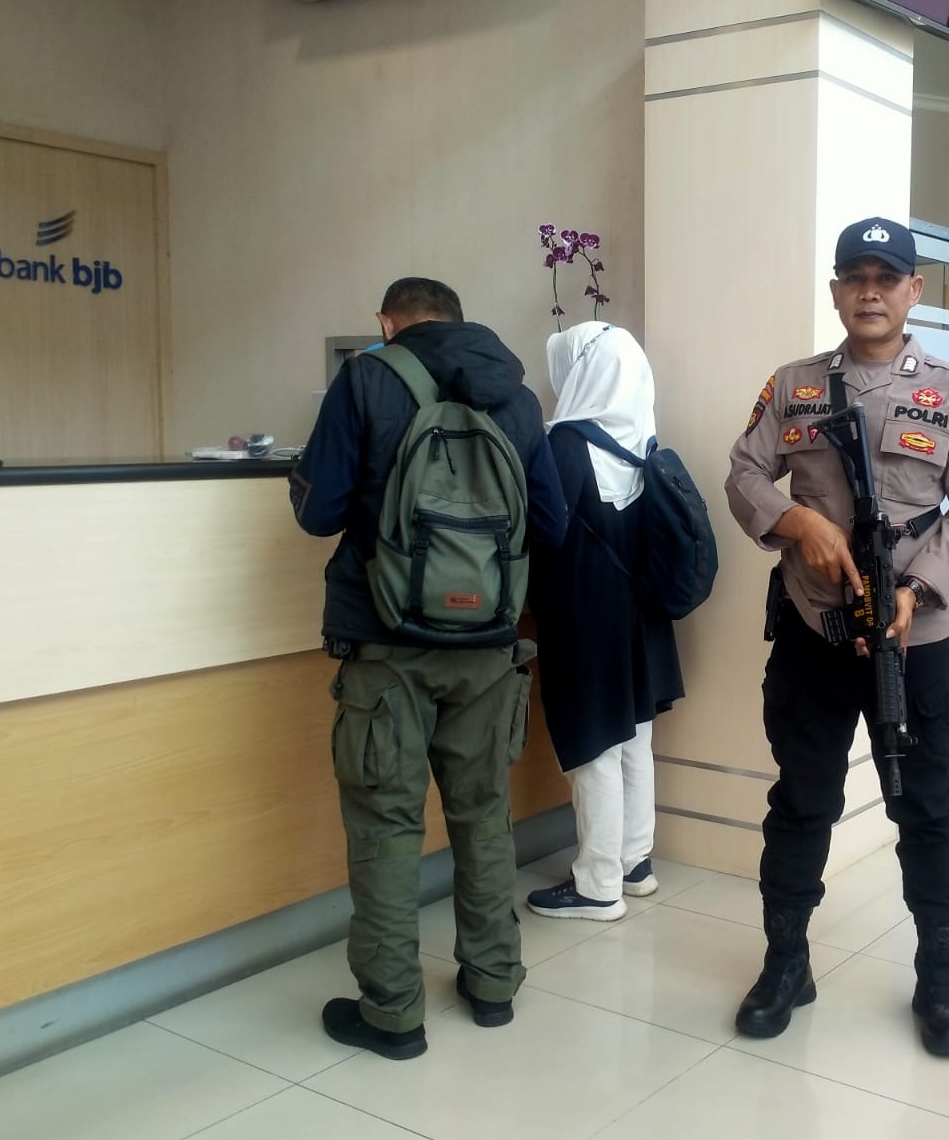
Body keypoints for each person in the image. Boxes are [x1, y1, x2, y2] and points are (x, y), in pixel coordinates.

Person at [723, 217, 949, 1057]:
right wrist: (796, 520)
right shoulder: (794, 385)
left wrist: (919, 587)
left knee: (927, 806)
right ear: (836, 289)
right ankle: (786, 963)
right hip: (813, 629)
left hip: (912, 641)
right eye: (856, 277)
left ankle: (939, 978)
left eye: (887, 278)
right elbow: (744, 471)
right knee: (802, 799)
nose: (870, 292)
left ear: (915, 292)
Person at [289, 277, 566, 1060]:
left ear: (388, 322)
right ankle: (493, 985)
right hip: (488, 647)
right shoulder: (516, 396)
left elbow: (317, 512)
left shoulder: (364, 381)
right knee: (483, 813)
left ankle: (392, 1014)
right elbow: (549, 523)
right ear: (459, 319)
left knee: (386, 825)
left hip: (385, 645)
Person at [524, 321, 685, 921]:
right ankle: (634, 862)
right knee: (635, 737)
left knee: (594, 744)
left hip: (586, 617)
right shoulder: (644, 435)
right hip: (642, 617)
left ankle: (596, 884)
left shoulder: (566, 443)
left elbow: (546, 534)